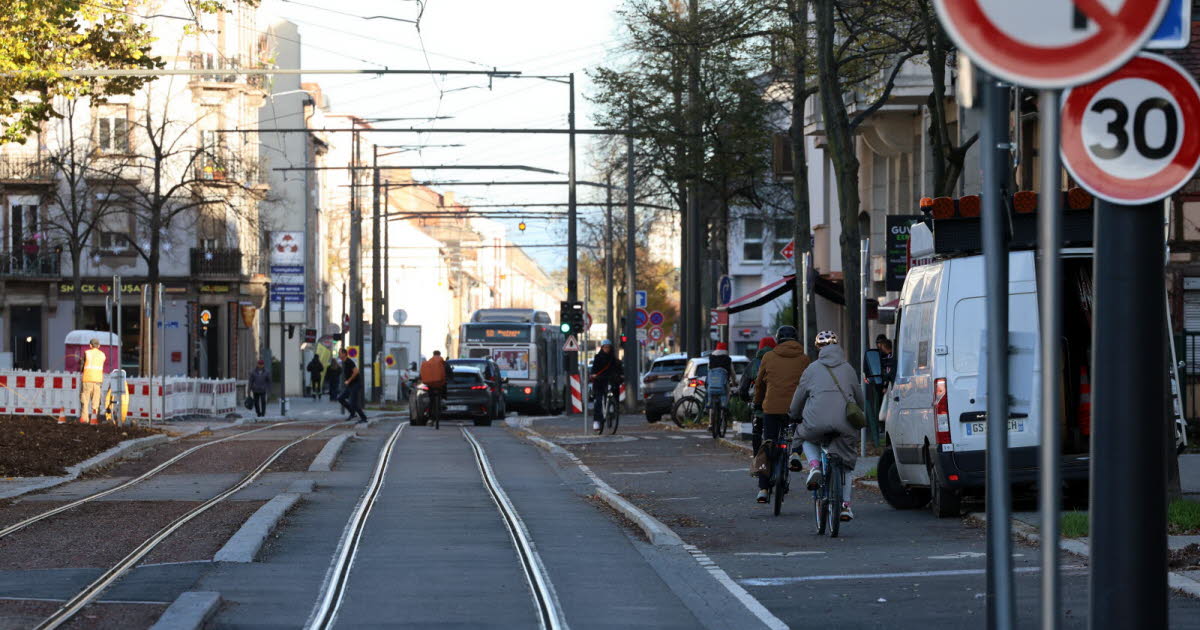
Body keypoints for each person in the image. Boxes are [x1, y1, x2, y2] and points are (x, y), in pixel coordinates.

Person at [790, 330, 864, 522]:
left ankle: (814, 466)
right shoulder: (848, 368)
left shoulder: (811, 369)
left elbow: (799, 397)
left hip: (816, 422)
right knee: (846, 464)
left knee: (805, 436)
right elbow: (860, 398)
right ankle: (845, 506)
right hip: (844, 424)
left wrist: (794, 414)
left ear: (819, 349)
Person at [751, 325, 811, 503]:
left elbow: (760, 384)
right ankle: (795, 453)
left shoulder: (768, 357)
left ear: (778, 340)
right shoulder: (804, 359)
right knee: (799, 431)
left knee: (768, 444)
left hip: (772, 408)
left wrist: (757, 402)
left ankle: (763, 489)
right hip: (796, 408)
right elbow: (809, 384)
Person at [737, 336, 776, 453]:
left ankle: (757, 457)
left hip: (759, 406)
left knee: (757, 431)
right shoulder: (780, 362)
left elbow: (743, 388)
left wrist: (747, 399)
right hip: (779, 406)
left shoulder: (754, 363)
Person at [589, 339, 623, 433]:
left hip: (610, 380)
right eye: (605, 347)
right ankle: (596, 421)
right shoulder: (598, 358)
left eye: (608, 347)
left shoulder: (613, 359)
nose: (607, 349)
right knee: (598, 400)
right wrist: (594, 374)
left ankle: (613, 409)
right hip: (599, 381)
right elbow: (594, 369)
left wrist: (621, 375)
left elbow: (618, 368)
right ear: (602, 348)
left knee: (614, 394)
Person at [78, 338, 105, 425]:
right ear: (99, 346)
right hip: (98, 381)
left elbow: (81, 367)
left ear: (90, 345)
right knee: (95, 402)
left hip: (87, 380)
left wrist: (81, 363)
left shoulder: (87, 353)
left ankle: (84, 420)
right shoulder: (102, 355)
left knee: (85, 401)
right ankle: (94, 420)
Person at [337, 348, 368, 423]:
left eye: (340, 353)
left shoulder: (349, 362)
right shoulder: (344, 362)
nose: (339, 355)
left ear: (344, 354)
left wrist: (349, 380)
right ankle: (352, 413)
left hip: (356, 384)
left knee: (353, 403)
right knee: (341, 398)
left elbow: (356, 371)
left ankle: (364, 418)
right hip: (350, 385)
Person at [419, 350, 449, 424]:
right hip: (440, 384)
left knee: (431, 401)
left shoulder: (429, 363)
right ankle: (444, 399)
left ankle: (430, 418)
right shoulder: (443, 363)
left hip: (431, 385)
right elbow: (449, 372)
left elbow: (423, 374)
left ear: (433, 354)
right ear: (440, 354)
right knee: (444, 388)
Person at [707, 342, 732, 418]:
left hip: (712, 382)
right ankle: (724, 408)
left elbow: (708, 369)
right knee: (727, 393)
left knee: (709, 395)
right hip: (723, 384)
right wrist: (734, 381)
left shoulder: (711, 358)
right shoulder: (727, 359)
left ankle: (711, 420)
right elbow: (732, 371)